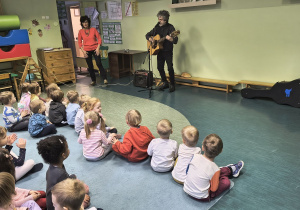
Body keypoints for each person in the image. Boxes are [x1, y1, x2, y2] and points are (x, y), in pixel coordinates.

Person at [183, 134, 244, 201]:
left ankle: (228, 170)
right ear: (221, 151)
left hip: (187, 190)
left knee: (215, 172)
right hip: (203, 197)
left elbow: (187, 171)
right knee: (226, 183)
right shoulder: (215, 169)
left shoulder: (195, 156)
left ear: (202, 147)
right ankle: (229, 170)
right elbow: (213, 189)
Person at [36, 135, 90, 210]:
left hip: (57, 196)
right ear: (63, 155)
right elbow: (68, 193)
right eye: (67, 148)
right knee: (85, 191)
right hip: (59, 204)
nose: (68, 149)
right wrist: (83, 196)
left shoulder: (53, 167)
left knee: (75, 179)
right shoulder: (60, 174)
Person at [146, 10, 178, 92]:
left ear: (165, 20)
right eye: (158, 19)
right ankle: (165, 82)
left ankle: (172, 84)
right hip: (159, 51)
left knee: (170, 67)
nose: (158, 20)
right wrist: (150, 39)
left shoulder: (171, 27)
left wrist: (171, 38)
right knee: (159, 67)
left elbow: (175, 40)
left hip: (167, 51)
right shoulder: (157, 27)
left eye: (160, 19)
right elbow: (147, 35)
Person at [78, 15, 108, 86]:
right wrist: (83, 51)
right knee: (90, 66)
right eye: (83, 22)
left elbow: (99, 39)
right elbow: (79, 42)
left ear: (88, 22)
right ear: (82, 23)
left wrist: (98, 48)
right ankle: (93, 80)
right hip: (86, 50)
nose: (85, 24)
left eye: (86, 22)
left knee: (99, 63)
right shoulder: (81, 32)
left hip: (95, 49)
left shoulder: (93, 29)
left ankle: (105, 79)